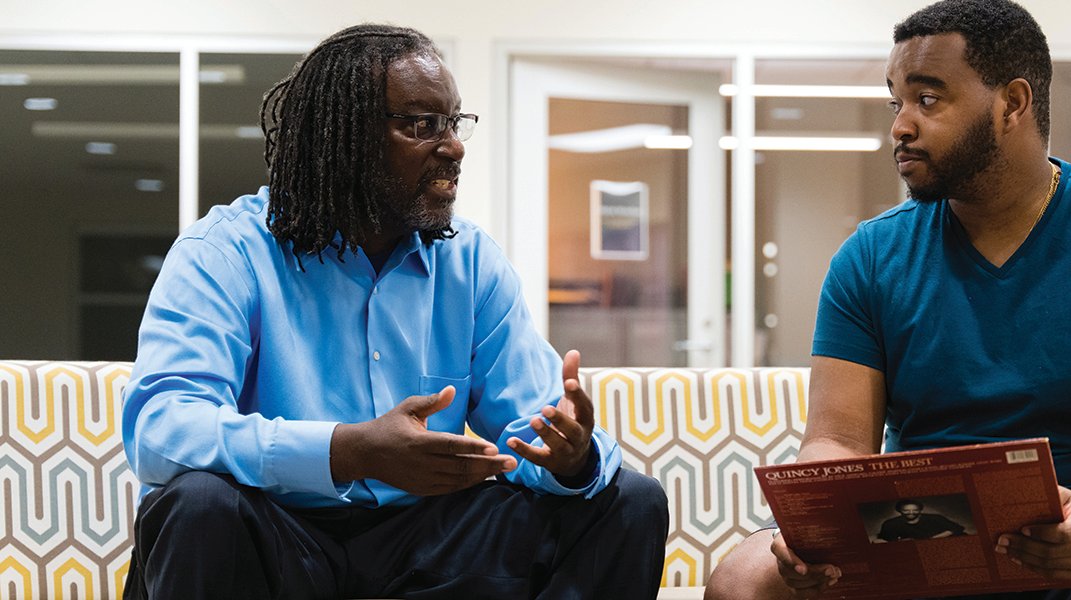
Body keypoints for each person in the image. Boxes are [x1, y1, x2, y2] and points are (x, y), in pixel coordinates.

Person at [705, 1, 1071, 598]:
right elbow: (836, 439)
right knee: (743, 579)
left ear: (1011, 104)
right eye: (896, 101)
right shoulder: (869, 256)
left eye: (927, 99)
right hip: (920, 528)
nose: (901, 125)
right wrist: (812, 522)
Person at [121, 24, 668, 599]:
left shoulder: (471, 262)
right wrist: (348, 450)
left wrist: (571, 457)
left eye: (453, 123)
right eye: (420, 125)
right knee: (198, 505)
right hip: (277, 535)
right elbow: (163, 430)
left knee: (629, 501)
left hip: (425, 544)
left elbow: (531, 426)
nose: (452, 146)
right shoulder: (225, 252)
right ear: (344, 138)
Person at [875, 500, 966, 542]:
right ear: (899, 511)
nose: (911, 512)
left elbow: (957, 528)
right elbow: (884, 539)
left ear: (920, 510)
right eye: (906, 510)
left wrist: (932, 539)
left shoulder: (935, 518)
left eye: (915, 510)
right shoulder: (890, 523)